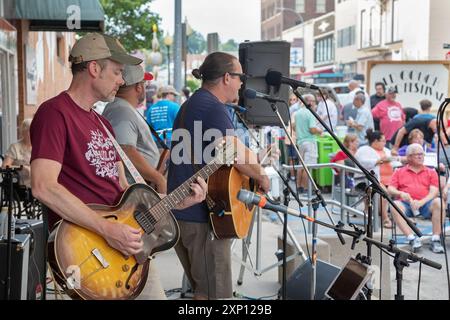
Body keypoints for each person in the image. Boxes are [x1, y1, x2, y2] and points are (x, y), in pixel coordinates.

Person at [29, 33, 208, 299]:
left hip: (130, 252)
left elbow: (126, 193)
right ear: (93, 68)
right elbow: (43, 186)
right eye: (117, 72)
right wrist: (108, 230)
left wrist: (175, 201)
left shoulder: (103, 124)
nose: (122, 81)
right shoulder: (54, 113)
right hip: (89, 252)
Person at [167, 52, 270, 300]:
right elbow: (233, 152)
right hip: (202, 218)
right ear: (226, 77)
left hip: (186, 213)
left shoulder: (193, 104)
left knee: (203, 292)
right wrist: (262, 177)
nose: (242, 83)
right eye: (240, 77)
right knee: (217, 296)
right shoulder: (212, 107)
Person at [102, 65, 167, 193]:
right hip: (134, 191)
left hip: (139, 187)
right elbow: (125, 150)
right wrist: (158, 178)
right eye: (144, 84)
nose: (145, 87)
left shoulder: (122, 108)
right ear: (138, 87)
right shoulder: (122, 110)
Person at [388, 144, 445, 253]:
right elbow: (390, 189)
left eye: (422, 154)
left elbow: (434, 192)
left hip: (425, 204)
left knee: (439, 201)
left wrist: (421, 202)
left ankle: (436, 239)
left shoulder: (431, 171)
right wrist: (400, 193)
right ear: (408, 157)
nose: (420, 156)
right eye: (417, 154)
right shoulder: (399, 171)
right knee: (394, 205)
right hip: (406, 204)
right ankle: (411, 238)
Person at [355, 130, 396, 228]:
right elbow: (362, 163)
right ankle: (385, 218)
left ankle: (400, 215)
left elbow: (394, 162)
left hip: (390, 179)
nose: (385, 143)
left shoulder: (386, 150)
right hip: (371, 180)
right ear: (375, 141)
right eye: (383, 141)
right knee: (383, 193)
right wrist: (378, 161)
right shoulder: (363, 150)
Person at [294, 94, 323, 192]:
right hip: (309, 141)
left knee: (300, 165)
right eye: (314, 101)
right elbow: (312, 129)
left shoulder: (297, 113)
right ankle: (305, 188)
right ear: (310, 102)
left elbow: (294, 126)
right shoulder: (310, 113)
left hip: (300, 141)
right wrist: (319, 131)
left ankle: (299, 186)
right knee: (308, 167)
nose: (315, 104)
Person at [3, 118, 33, 188]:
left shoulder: (39, 146)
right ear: (23, 132)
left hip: (38, 180)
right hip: (21, 183)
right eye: (30, 130)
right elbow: (4, 166)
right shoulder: (15, 147)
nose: (33, 133)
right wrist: (22, 167)